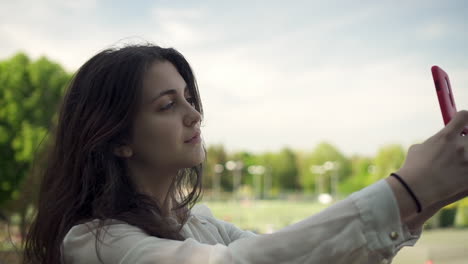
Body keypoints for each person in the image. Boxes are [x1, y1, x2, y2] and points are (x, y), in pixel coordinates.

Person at [22, 43, 468, 264]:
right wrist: (406, 190)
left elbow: (295, 256)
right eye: (167, 105)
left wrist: (423, 204)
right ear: (119, 139)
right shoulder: (96, 242)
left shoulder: (199, 223)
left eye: (188, 98)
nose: (194, 114)